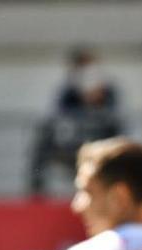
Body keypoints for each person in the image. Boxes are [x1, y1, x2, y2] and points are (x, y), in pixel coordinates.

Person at [29, 47, 123, 196]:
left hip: (103, 143)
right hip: (72, 146)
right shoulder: (67, 93)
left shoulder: (108, 92)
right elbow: (57, 117)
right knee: (43, 141)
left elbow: (116, 120)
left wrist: (97, 102)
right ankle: (36, 189)